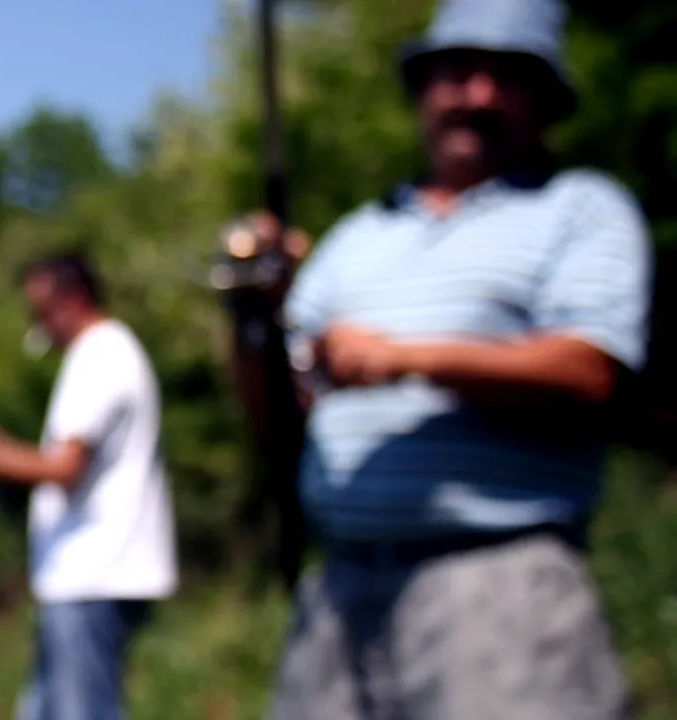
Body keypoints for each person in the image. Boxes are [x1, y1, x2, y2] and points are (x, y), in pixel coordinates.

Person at [229, 0, 654, 718]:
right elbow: (281, 415)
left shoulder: (579, 209)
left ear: (545, 99)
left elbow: (589, 370)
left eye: (507, 76)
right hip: (337, 597)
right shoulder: (357, 237)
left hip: (499, 591)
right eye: (458, 72)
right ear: (424, 90)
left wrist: (407, 361)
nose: (478, 95)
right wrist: (250, 316)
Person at [0, 250, 178, 720]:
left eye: (42, 310)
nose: (39, 324)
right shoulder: (105, 352)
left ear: (74, 297)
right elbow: (63, 459)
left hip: (94, 574)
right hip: (81, 577)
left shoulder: (101, 355)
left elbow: (65, 468)